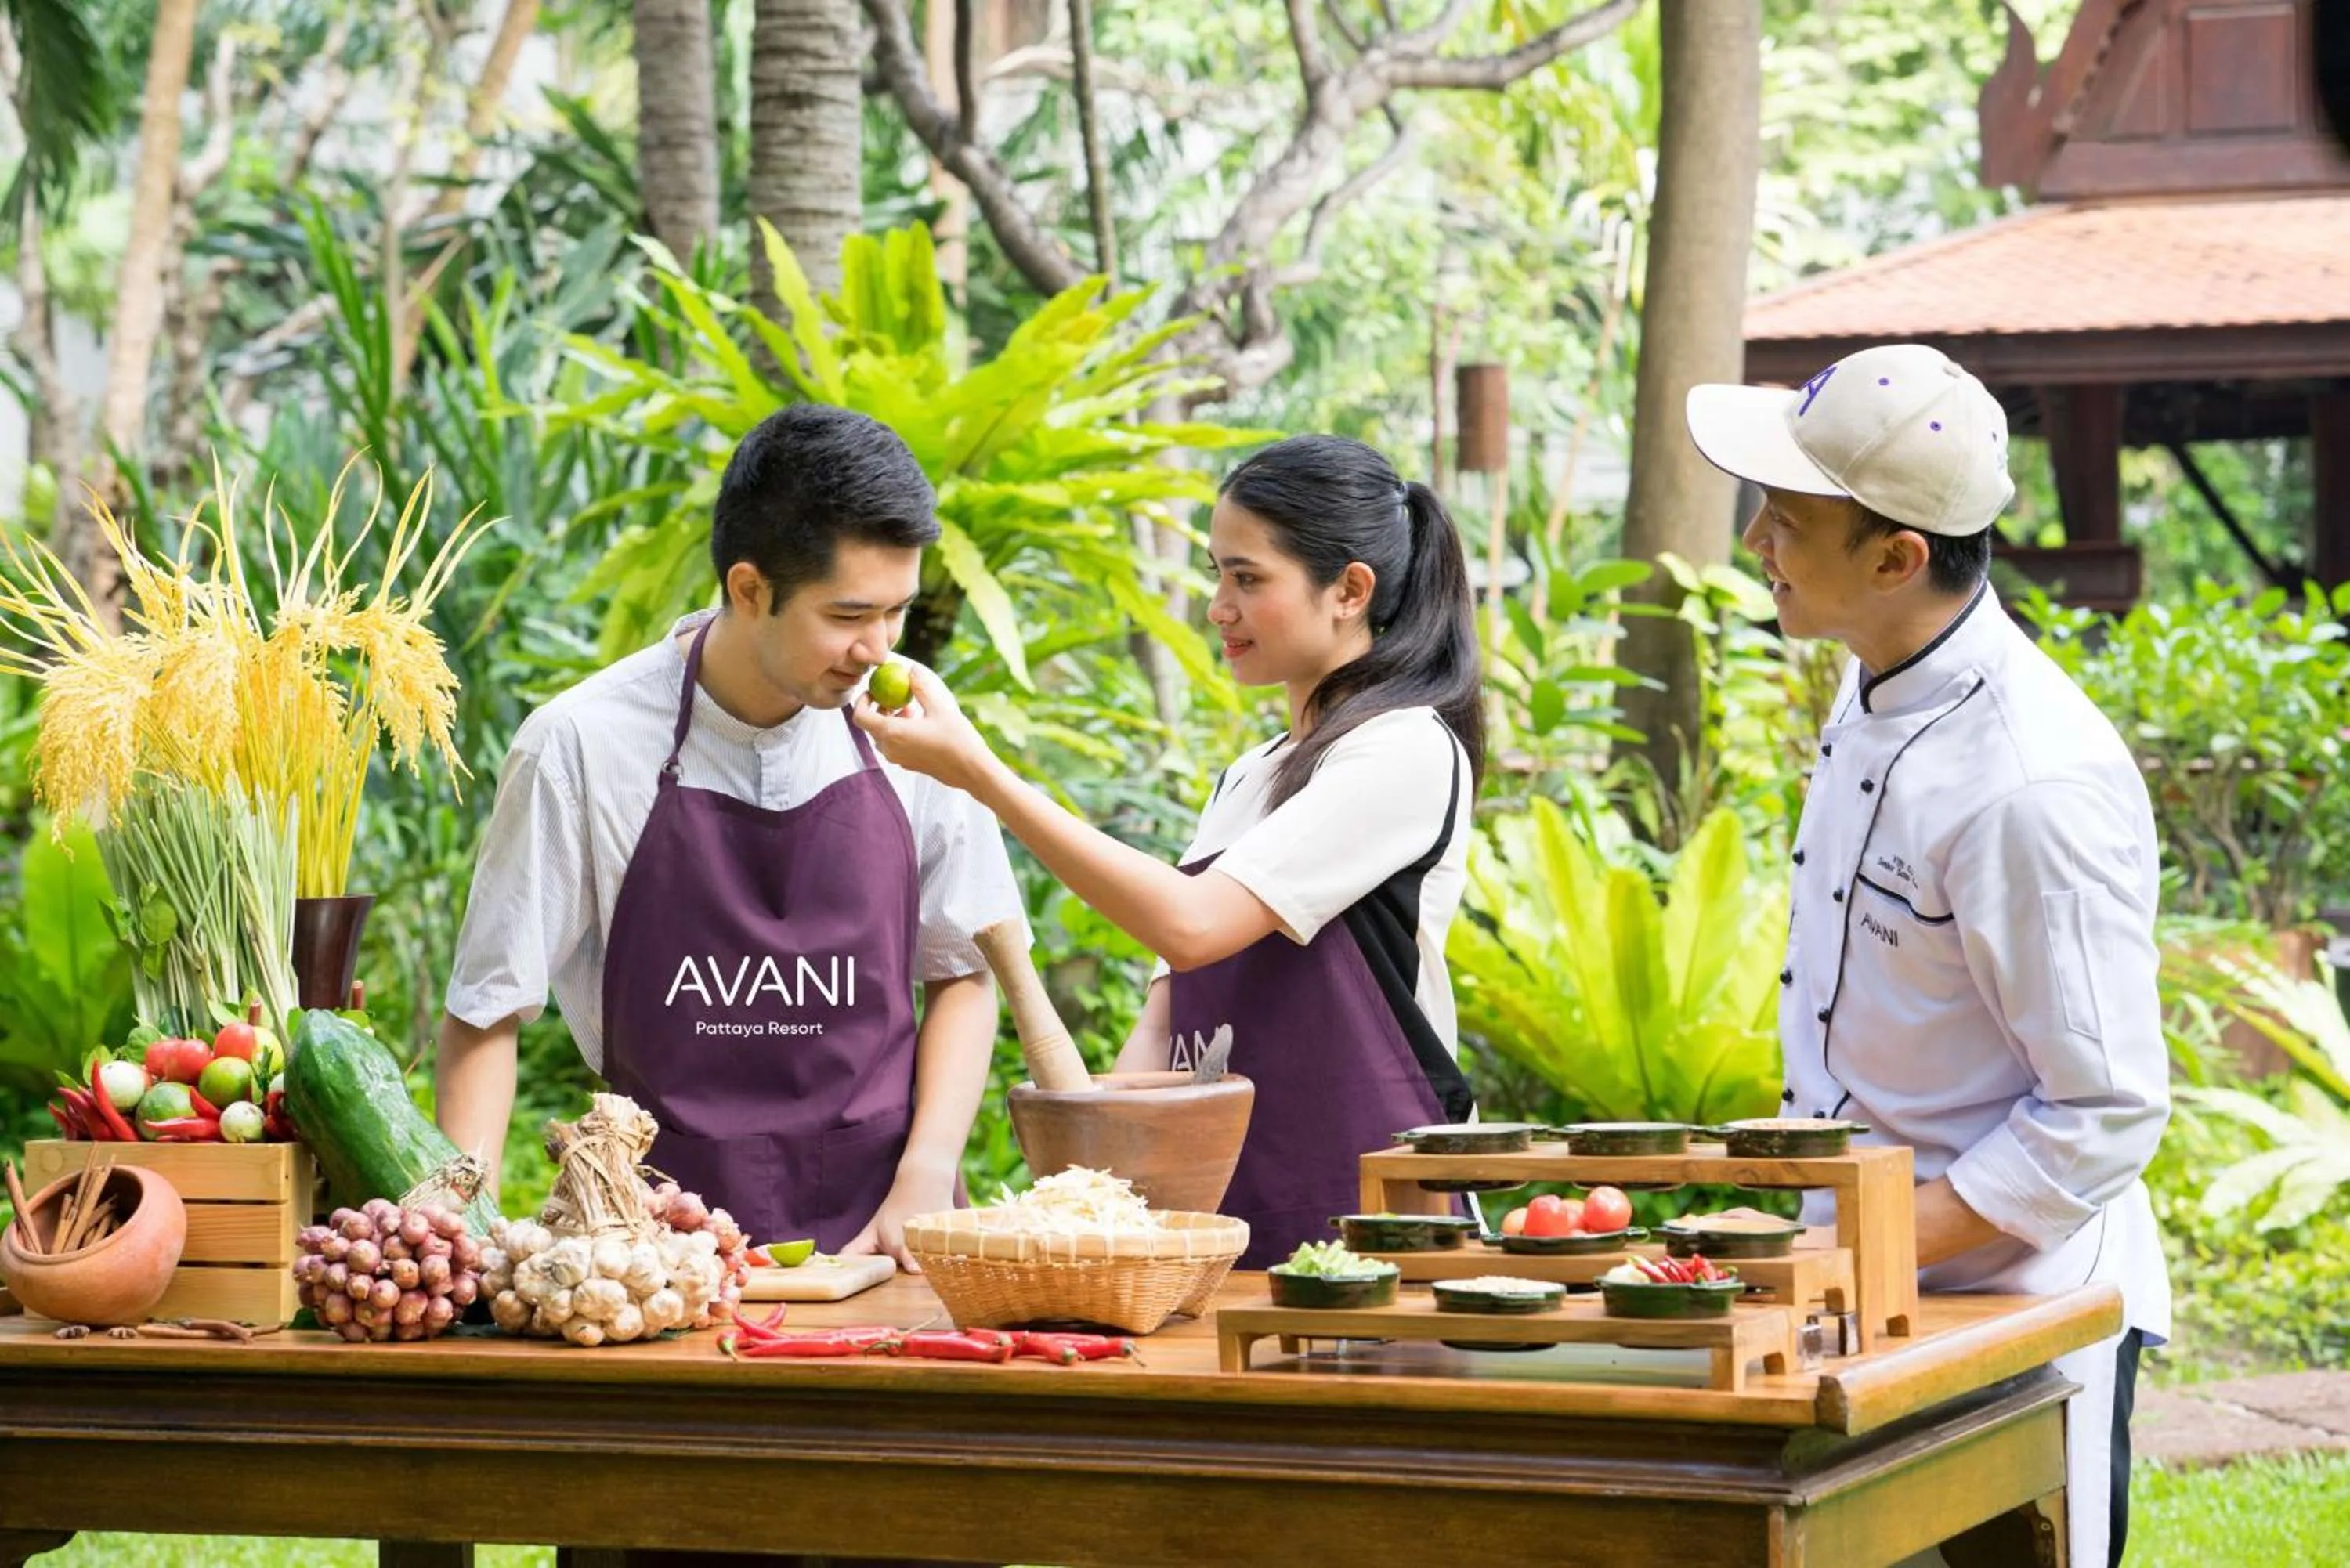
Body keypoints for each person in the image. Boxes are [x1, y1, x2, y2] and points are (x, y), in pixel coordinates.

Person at [1685, 343, 2170, 1568]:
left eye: (1787, 521)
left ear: (1899, 558)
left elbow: (2105, 1112)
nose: (1756, 544)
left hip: (2019, 1309)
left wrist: (1856, 1244)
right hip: (1868, 1296)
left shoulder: (2028, 783)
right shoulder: (1878, 680)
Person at [855, 434, 1485, 1268]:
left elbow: (1190, 924)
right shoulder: (1249, 777)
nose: (1217, 605)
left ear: (1349, 590)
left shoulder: (1403, 750)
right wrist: (1082, 1190)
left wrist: (980, 773)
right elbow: (1166, 1026)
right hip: (1224, 1218)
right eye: (1219, 573)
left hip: (1375, 1224)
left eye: (1248, 577)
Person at [436, 404, 1026, 1270]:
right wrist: (466, 1244)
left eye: (897, 612)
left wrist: (928, 1174)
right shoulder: (582, 744)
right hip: (658, 1256)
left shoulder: (918, 725)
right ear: (749, 589)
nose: (880, 650)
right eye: (849, 615)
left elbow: (965, 966)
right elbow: (488, 1010)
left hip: (888, 1241)